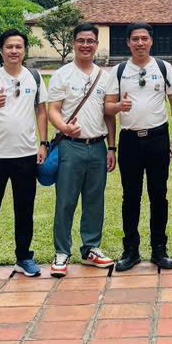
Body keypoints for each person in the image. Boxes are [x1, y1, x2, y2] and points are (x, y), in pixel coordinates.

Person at [105, 23, 172, 272]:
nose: (140, 43)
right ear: (128, 42)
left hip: (158, 138)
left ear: (151, 41)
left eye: (144, 38)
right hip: (130, 141)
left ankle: (159, 249)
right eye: (135, 39)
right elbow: (108, 107)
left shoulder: (163, 67)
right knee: (131, 197)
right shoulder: (119, 71)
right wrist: (119, 107)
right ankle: (131, 250)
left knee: (159, 195)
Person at [0, 29, 47, 280]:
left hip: (26, 154)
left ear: (25, 50)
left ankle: (24, 257)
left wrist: (43, 143)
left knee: (25, 209)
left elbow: (41, 110)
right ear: (2, 50)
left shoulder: (34, 77)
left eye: (18, 46)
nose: (14, 51)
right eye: (9, 46)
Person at [44, 22, 115, 276]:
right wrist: (64, 127)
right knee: (66, 201)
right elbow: (53, 109)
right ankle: (62, 252)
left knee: (95, 200)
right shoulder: (63, 74)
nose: (86, 45)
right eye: (81, 41)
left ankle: (91, 248)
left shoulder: (105, 77)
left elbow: (108, 115)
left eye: (90, 41)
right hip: (70, 146)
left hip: (97, 146)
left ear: (97, 45)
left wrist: (112, 147)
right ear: (74, 43)